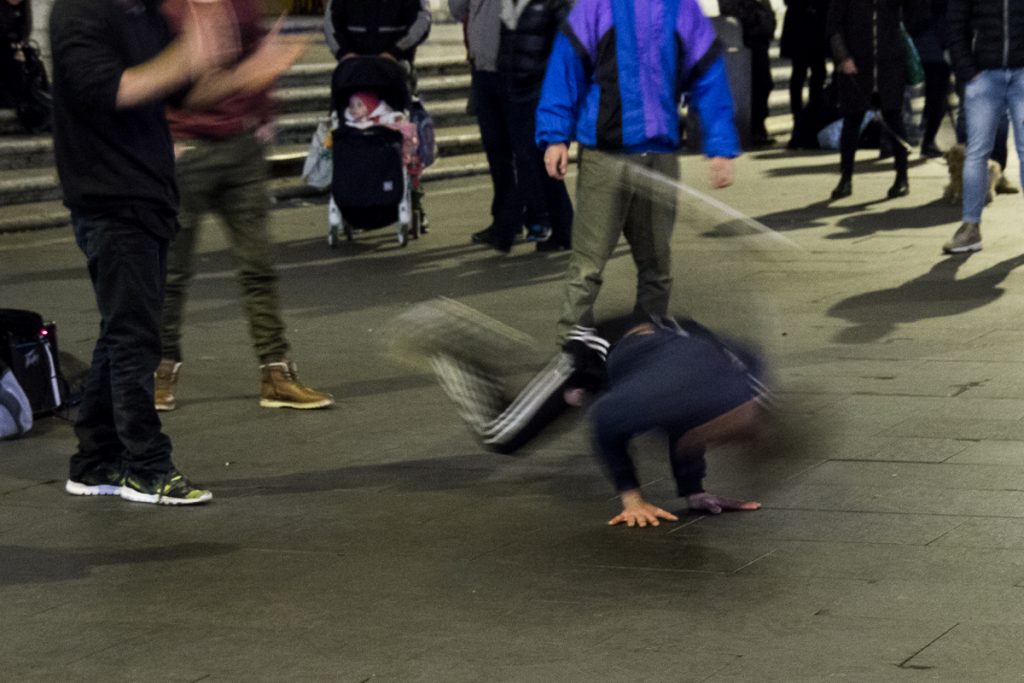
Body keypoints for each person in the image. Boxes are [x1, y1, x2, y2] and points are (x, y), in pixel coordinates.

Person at [51, 0, 305, 504]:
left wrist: (249, 73)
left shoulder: (143, 12)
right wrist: (189, 51)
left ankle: (95, 461)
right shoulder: (79, 11)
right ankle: (146, 465)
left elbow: (189, 93)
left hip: (149, 189)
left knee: (121, 332)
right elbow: (110, 89)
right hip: (107, 193)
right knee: (135, 339)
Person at [398, 301, 768, 528]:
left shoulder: (746, 385)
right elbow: (606, 425)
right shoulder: (661, 398)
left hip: (654, 350)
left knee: (679, 412)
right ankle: (446, 339)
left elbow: (690, 430)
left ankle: (483, 354)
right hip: (592, 357)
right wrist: (632, 497)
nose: (721, 445)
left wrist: (694, 492)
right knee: (500, 435)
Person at [156, 0, 333, 413]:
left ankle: (276, 373)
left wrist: (263, 118)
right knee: (171, 272)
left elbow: (258, 59)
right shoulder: (167, 10)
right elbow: (163, 79)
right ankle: (158, 372)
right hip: (187, 150)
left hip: (240, 149)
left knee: (259, 267)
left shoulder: (240, 5)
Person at [535, 0, 739, 349]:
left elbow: (708, 73)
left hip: (658, 155)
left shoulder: (681, 8)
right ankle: (570, 356)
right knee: (587, 267)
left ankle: (646, 347)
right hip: (606, 155)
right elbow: (565, 66)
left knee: (657, 266)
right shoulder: (596, 6)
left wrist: (719, 144)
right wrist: (555, 135)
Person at [450, 0, 573, 253]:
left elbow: (559, 39)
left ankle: (531, 223)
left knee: (531, 157)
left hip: (531, 84)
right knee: (513, 155)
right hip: (501, 77)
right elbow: (460, 12)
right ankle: (538, 225)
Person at [324, 0, 431, 232]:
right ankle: (353, 196)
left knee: (404, 136)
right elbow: (331, 20)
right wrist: (344, 53)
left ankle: (414, 197)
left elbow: (422, 21)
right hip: (353, 73)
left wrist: (395, 51)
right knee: (351, 133)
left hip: (395, 70)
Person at [942, 0, 1024, 253]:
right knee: (976, 153)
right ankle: (970, 228)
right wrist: (968, 70)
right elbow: (954, 24)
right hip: (985, 74)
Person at [826, 0, 917, 201]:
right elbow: (833, 26)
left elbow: (914, 13)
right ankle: (846, 178)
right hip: (856, 67)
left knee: (894, 120)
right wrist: (843, 57)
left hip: (889, 65)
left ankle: (902, 177)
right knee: (852, 122)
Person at [720, 0, 778, 147]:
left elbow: (767, 12)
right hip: (746, 43)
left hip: (760, 43)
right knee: (753, 87)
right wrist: (756, 16)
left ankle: (759, 126)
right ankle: (753, 129)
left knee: (764, 85)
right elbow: (730, 11)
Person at [779, 0, 829, 148]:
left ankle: (811, 119)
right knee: (801, 75)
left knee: (816, 74)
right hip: (802, 26)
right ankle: (801, 121)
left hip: (815, 26)